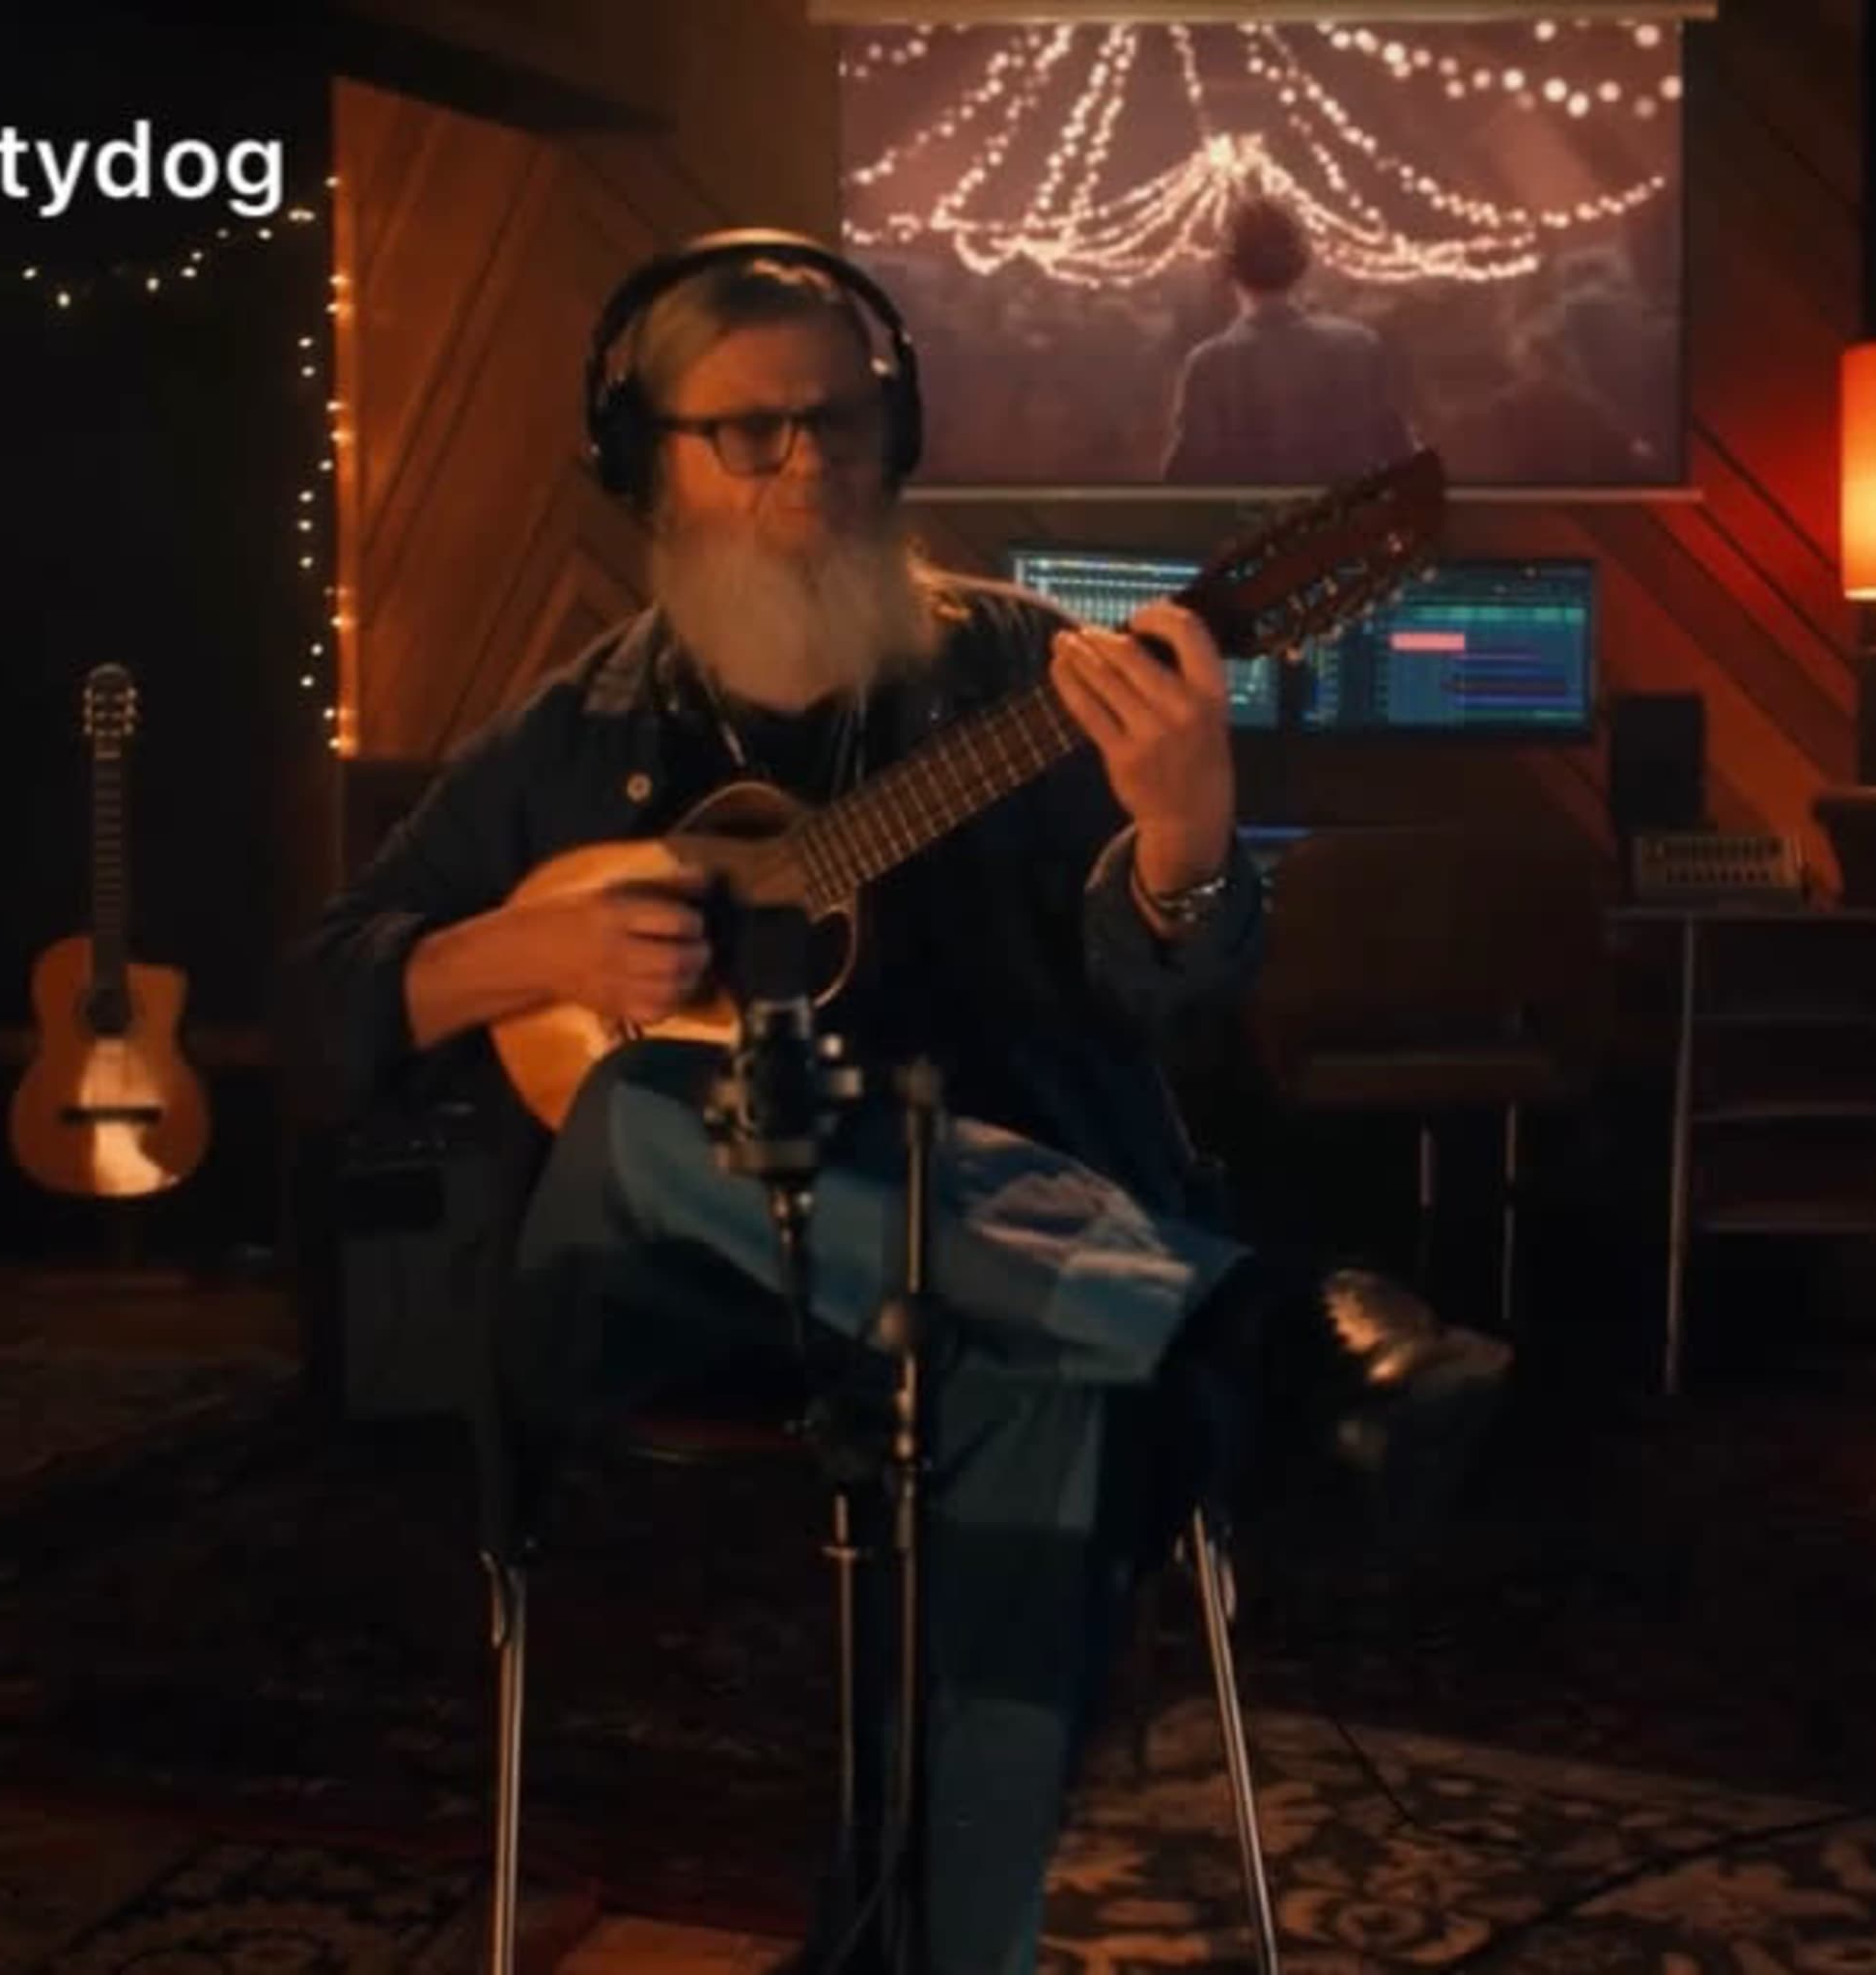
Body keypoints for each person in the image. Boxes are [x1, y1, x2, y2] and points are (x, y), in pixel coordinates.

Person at [291, 231, 1504, 1975]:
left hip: (978, 1289)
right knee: (653, 1101)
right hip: (665, 1297)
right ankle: (1251, 1325)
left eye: (843, 423)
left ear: (900, 430)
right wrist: (521, 949)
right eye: (750, 434)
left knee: (1042, 1368)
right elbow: (324, 993)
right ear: (648, 462)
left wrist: (1182, 840)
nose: (809, 470)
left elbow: (1178, 997)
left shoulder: (1028, 678)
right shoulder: (578, 728)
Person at [1159, 194, 1419, 486]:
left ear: (1228, 270)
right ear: (1300, 263)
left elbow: (1184, 482)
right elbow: (1400, 456)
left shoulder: (1208, 366)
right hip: (1349, 527)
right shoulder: (1359, 347)